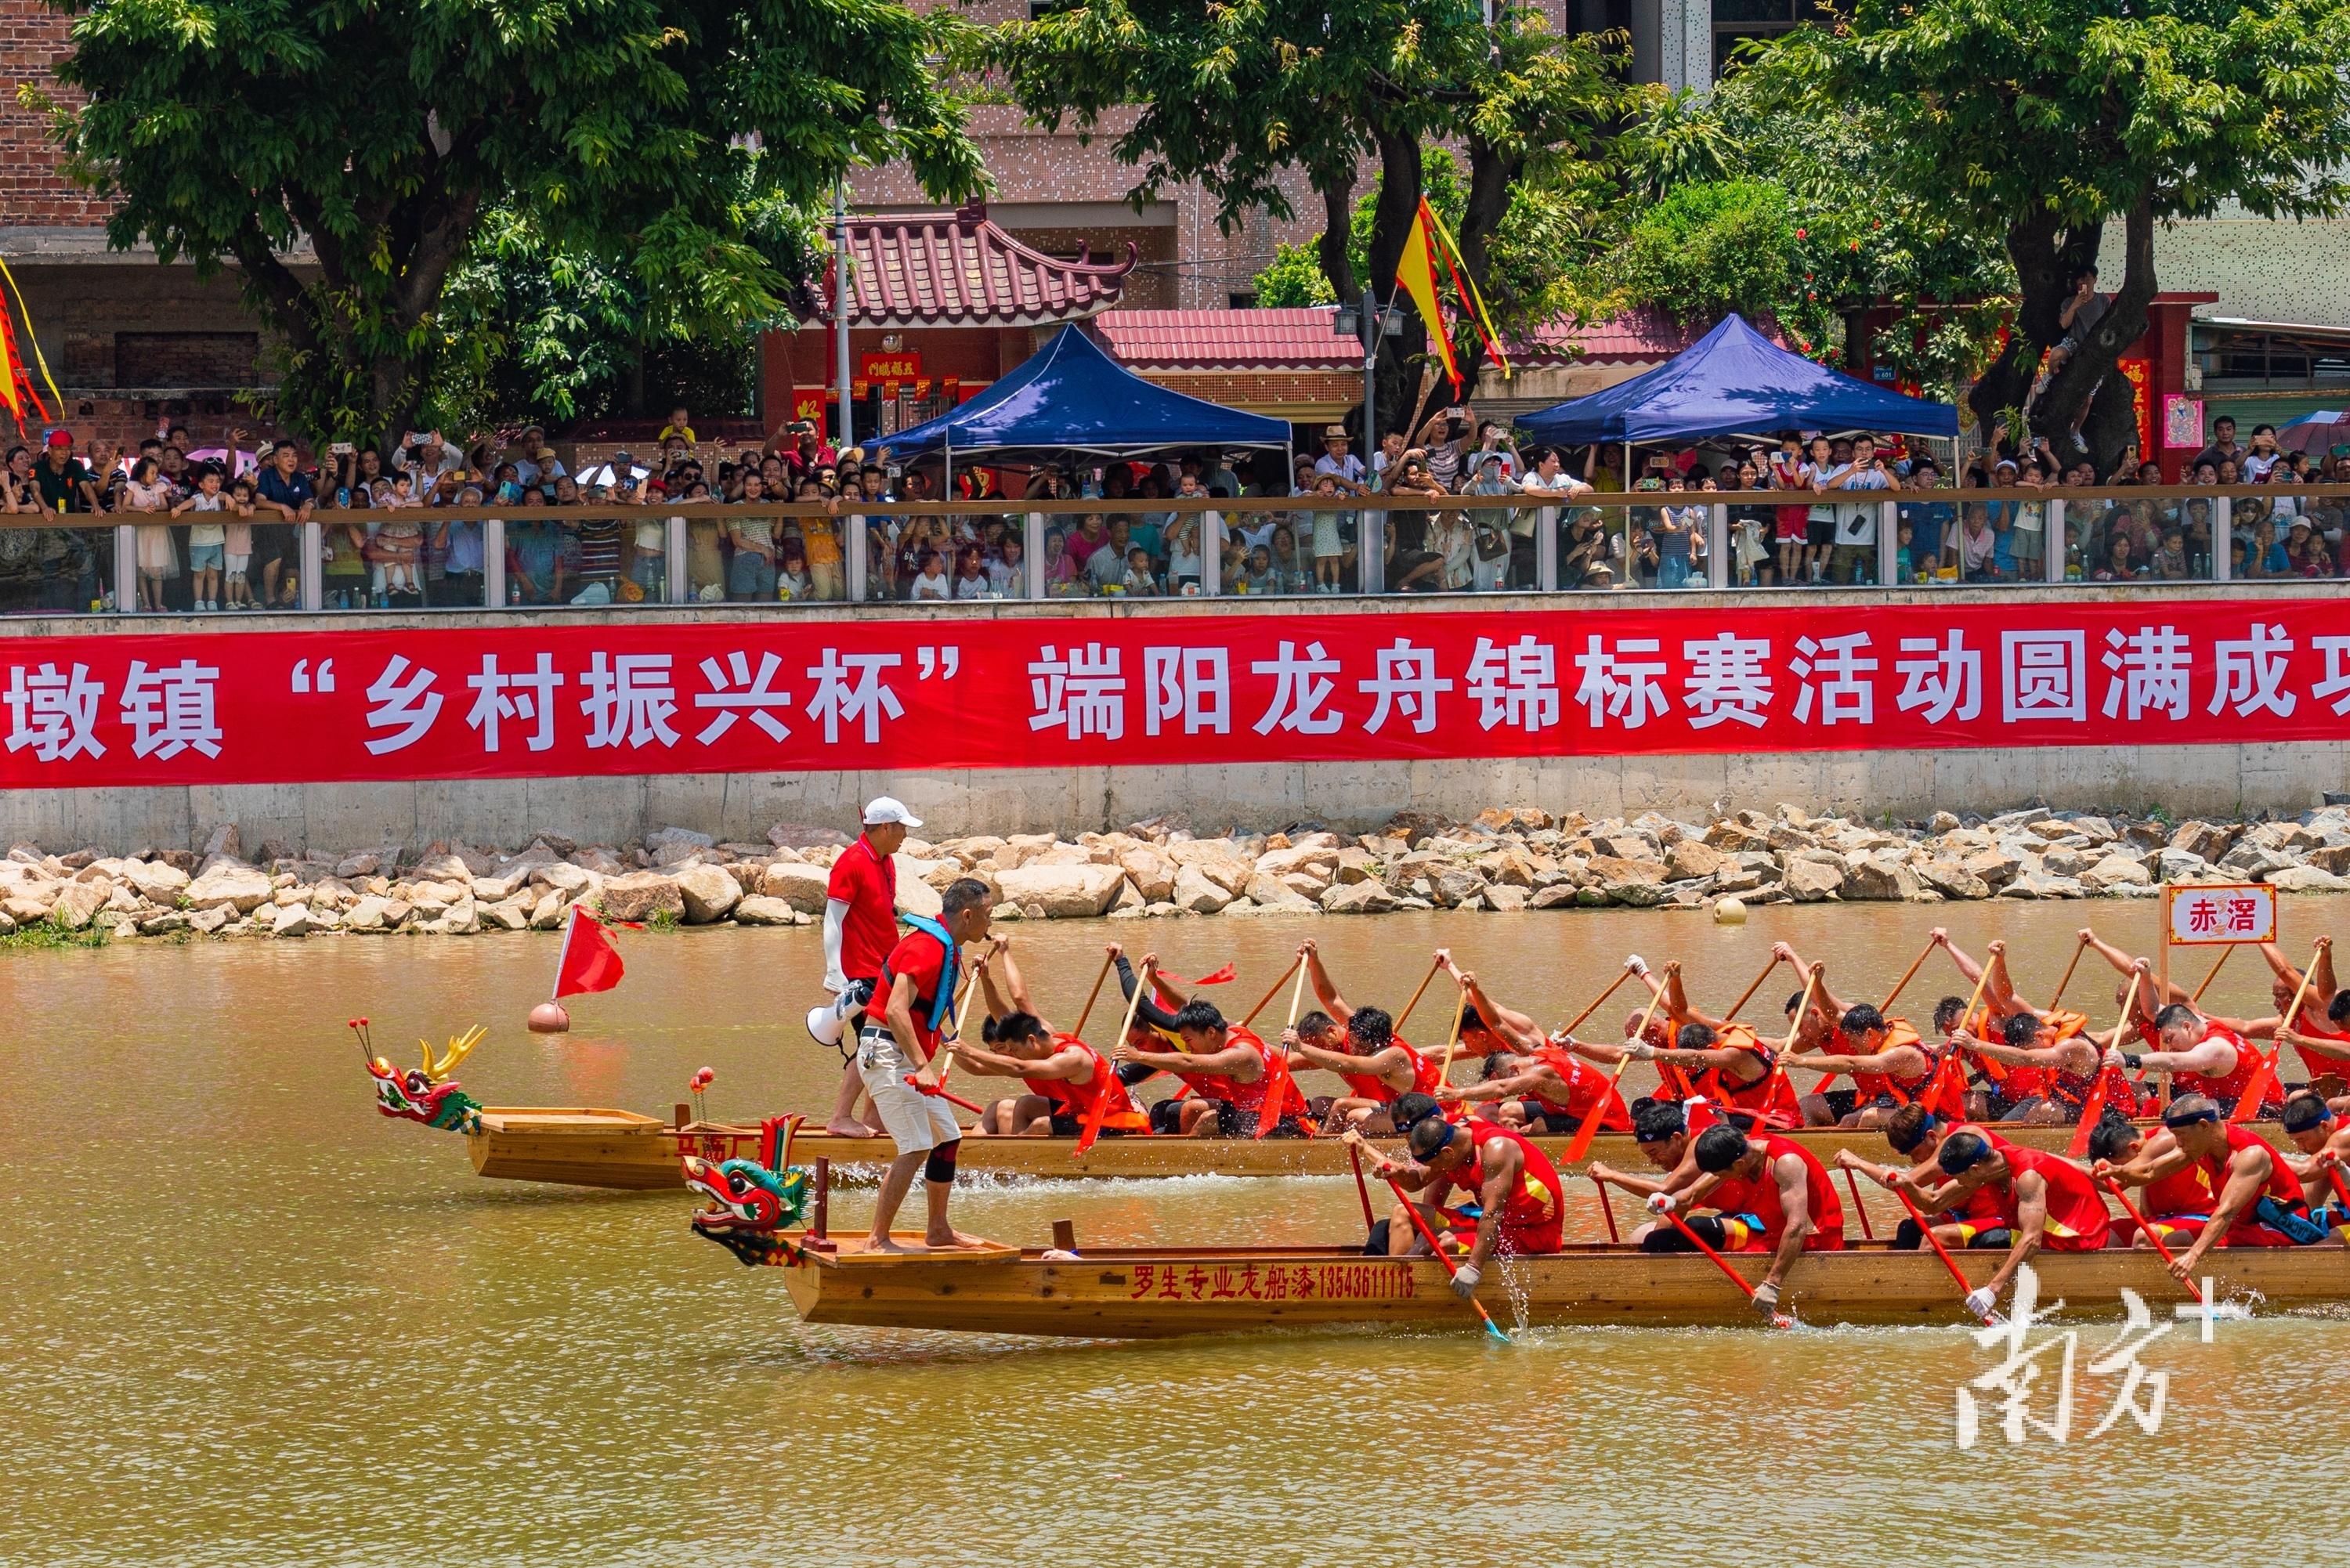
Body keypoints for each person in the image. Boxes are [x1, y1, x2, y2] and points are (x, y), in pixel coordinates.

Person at [858, 876, 998, 1252]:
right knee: (916, 1145)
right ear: (967, 916)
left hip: (902, 1054)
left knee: (947, 1138)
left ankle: (938, 1230)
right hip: (887, 1054)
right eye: (988, 914)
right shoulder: (927, 947)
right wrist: (922, 1066)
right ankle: (877, 1239)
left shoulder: (945, 947)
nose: (991, 922)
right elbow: (895, 1009)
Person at [2093, 1095, 2321, 1281]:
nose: (2178, 1144)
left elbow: (2226, 1212)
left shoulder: (2249, 1155)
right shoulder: (2200, 1146)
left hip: (2279, 1227)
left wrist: (2193, 1256)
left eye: (2181, 1136)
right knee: (2148, 1237)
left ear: (2203, 1126)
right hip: (2242, 1225)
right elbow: (2150, 1171)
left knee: (2165, 1240)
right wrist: (2118, 1172)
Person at [1643, 1123, 1845, 1316]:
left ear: (1739, 1164)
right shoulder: (1735, 1152)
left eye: (1723, 1175)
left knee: (1695, 1229)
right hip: (1767, 1231)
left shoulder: (1786, 1163)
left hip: (1813, 1240)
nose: (1723, 1179)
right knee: (1661, 1240)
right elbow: (1691, 1196)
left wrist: (1772, 1284)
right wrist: (1668, 1200)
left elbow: (1797, 1227)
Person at [1351, 1113, 1565, 1294]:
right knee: (1404, 1212)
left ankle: (1410, 1291)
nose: (1435, 1171)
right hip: (1493, 1221)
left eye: (1434, 1166)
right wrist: (1394, 1170)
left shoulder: (1496, 1150)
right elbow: (1416, 1180)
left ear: (1447, 1153)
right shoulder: (1454, 1141)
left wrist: (1473, 1268)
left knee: (1445, 1244)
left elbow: (1493, 1216)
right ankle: (1397, 1286)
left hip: (1534, 1232)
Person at [812, 797, 921, 1138]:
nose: (906, 834)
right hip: (861, 974)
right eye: (902, 827)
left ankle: (873, 1121)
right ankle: (841, 1117)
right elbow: (833, 919)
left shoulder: (885, 860)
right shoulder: (852, 862)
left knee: (884, 1046)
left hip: (885, 969)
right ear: (885, 827)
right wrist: (834, 972)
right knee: (869, 1045)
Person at [1922, 1129, 2113, 1317]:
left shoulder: (2028, 1177)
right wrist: (1904, 1185)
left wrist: (1992, 1291)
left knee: (1991, 1240)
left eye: (1957, 1178)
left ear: (1975, 1170)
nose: (1957, 1183)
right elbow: (1934, 1202)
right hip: (2040, 1229)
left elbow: (2032, 1241)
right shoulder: (1994, 1164)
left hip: (2078, 1236)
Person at [1112, 998, 1307, 1137]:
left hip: (1284, 1121)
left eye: (1189, 1041)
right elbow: (1184, 1003)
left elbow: (1188, 1063)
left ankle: (1185, 1167)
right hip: (1257, 1114)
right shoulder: (1235, 1030)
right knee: (1171, 1110)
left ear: (1211, 1032)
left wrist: (1136, 1056)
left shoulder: (1240, 1054)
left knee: (1207, 1118)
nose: (1188, 1048)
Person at [2102, 1000, 2286, 1121]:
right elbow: (2152, 1010)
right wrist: (2144, 973)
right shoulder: (2199, 1023)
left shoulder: (2216, 1048)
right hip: (2223, 1098)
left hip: (2263, 1107)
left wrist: (2128, 1060)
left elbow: (2173, 1061)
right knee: (2129, 1088)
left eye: (2170, 1039)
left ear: (2187, 1027)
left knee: (2183, 1111)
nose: (2169, 1046)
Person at [2088, 1117, 2221, 1251]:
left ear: (2133, 1147)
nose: (2112, 1172)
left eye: (2113, 1166)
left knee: (2144, 1237)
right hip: (2170, 1219)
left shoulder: (2165, 1139)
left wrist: (2066, 1164)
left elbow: (2114, 1184)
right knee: (2109, 1234)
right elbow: (2146, 1211)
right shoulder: (2144, 1147)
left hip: (2204, 1217)